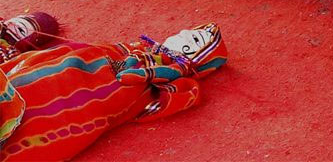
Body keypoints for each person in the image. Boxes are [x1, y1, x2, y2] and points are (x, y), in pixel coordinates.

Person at [0, 23, 227, 161]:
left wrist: (141, 71)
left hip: (96, 94)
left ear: (195, 53)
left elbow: (127, 79)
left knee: (47, 106)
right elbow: (112, 63)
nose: (186, 31)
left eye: (196, 38)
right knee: (42, 76)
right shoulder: (136, 50)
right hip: (87, 70)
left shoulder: (171, 73)